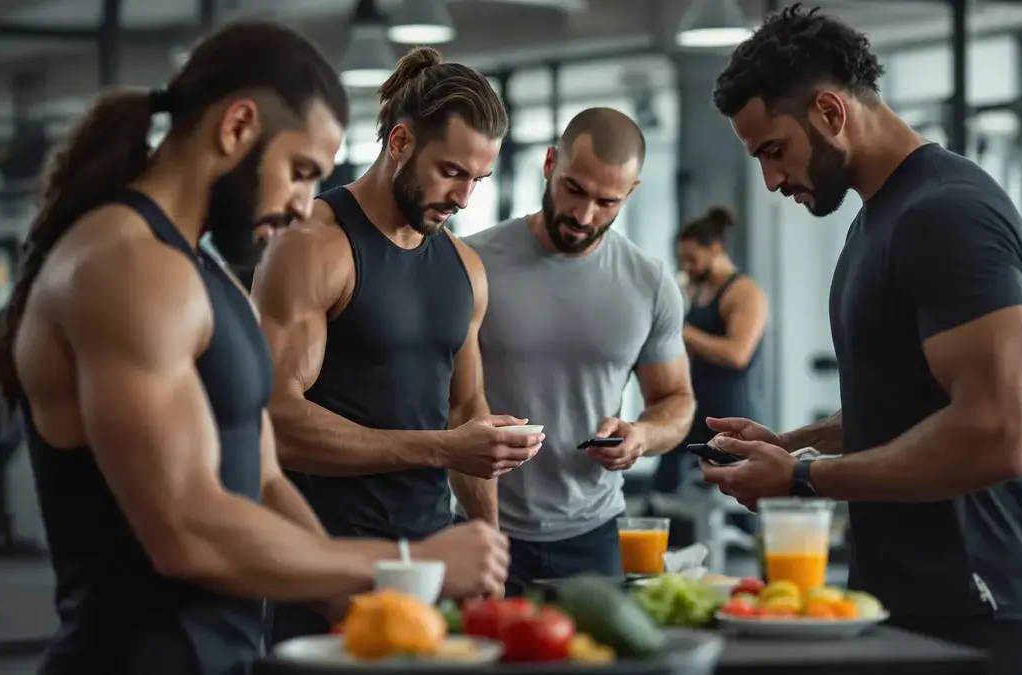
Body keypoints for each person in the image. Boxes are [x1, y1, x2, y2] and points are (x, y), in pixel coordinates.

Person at [0, 22, 508, 675]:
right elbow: (187, 531)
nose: (300, 206)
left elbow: (262, 479)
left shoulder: (208, 280)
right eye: (299, 172)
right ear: (236, 128)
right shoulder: (125, 263)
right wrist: (407, 561)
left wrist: (364, 606)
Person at [698, 5, 1022, 674]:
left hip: (983, 613)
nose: (770, 179)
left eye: (773, 150)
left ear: (831, 113)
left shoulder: (946, 214)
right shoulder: (879, 222)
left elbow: (1002, 433)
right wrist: (786, 446)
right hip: (899, 605)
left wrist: (805, 477)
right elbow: (904, 404)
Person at [252, 46, 539, 641]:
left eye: (478, 180)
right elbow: (275, 420)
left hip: (435, 566)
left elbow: (467, 412)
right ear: (401, 142)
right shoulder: (313, 246)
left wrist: (488, 546)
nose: (464, 199)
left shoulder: (464, 268)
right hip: (326, 566)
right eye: (452, 172)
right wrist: (441, 448)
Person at [463, 107, 695, 594]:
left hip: (595, 533)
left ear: (630, 194)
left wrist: (641, 436)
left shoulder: (649, 283)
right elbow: (446, 401)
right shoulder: (472, 262)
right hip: (480, 527)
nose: (584, 215)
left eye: (606, 202)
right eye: (574, 189)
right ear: (549, 164)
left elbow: (675, 400)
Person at [650, 206, 767, 496]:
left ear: (715, 249)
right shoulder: (697, 291)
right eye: (682, 260)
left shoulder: (744, 292)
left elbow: (737, 354)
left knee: (737, 511)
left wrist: (681, 329)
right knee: (663, 495)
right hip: (692, 416)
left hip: (730, 417)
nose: (687, 267)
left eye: (692, 259)